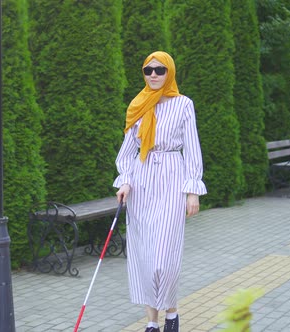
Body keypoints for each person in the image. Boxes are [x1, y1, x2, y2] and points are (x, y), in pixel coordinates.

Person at [114, 51, 207, 332]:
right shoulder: (138, 105)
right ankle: (152, 322)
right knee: (144, 256)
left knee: (163, 260)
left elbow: (192, 149)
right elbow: (126, 153)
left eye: (160, 70)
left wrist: (192, 190)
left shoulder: (183, 105)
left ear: (170, 73)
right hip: (141, 185)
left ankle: (172, 311)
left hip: (171, 181)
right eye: (148, 70)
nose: (153, 74)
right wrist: (125, 180)